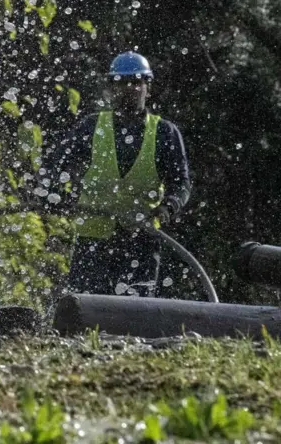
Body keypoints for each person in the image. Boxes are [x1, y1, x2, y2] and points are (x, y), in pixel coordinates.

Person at [39, 51, 191, 296]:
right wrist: (54, 197)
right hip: (92, 239)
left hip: (141, 238)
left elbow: (181, 183)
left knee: (136, 313)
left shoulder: (165, 133)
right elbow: (52, 164)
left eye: (136, 83)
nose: (129, 89)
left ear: (147, 88)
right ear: (111, 89)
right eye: (122, 83)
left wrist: (168, 207)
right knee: (85, 309)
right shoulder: (91, 128)